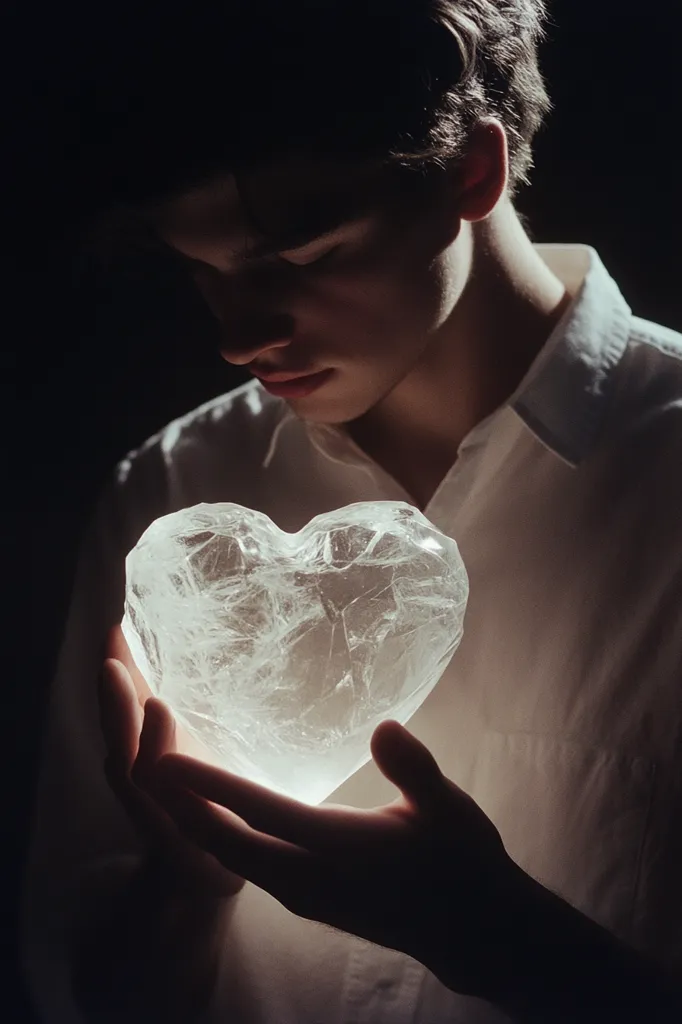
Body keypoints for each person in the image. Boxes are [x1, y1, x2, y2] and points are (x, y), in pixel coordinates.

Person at [21, 2, 682, 1022]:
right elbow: (67, 988)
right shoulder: (171, 494)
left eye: (302, 257)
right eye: (199, 271)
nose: (240, 334)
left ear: (472, 170)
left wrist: (510, 944)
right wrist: (189, 882)